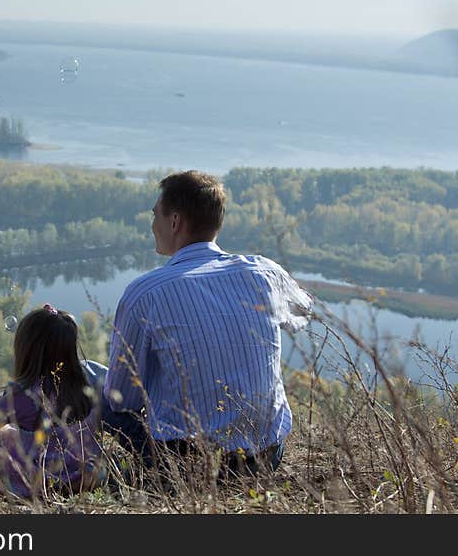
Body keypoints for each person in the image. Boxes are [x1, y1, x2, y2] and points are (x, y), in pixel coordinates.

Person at [103, 170, 313, 475]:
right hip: (265, 455)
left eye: (155, 215)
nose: (152, 225)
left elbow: (122, 400)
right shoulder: (263, 273)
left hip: (187, 461)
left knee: (93, 387)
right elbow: (303, 311)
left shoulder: (146, 294)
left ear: (174, 222)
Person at [0, 304, 107, 498]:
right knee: (9, 432)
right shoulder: (92, 381)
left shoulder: (24, 396)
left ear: (27, 351)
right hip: (84, 478)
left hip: (36, 485)